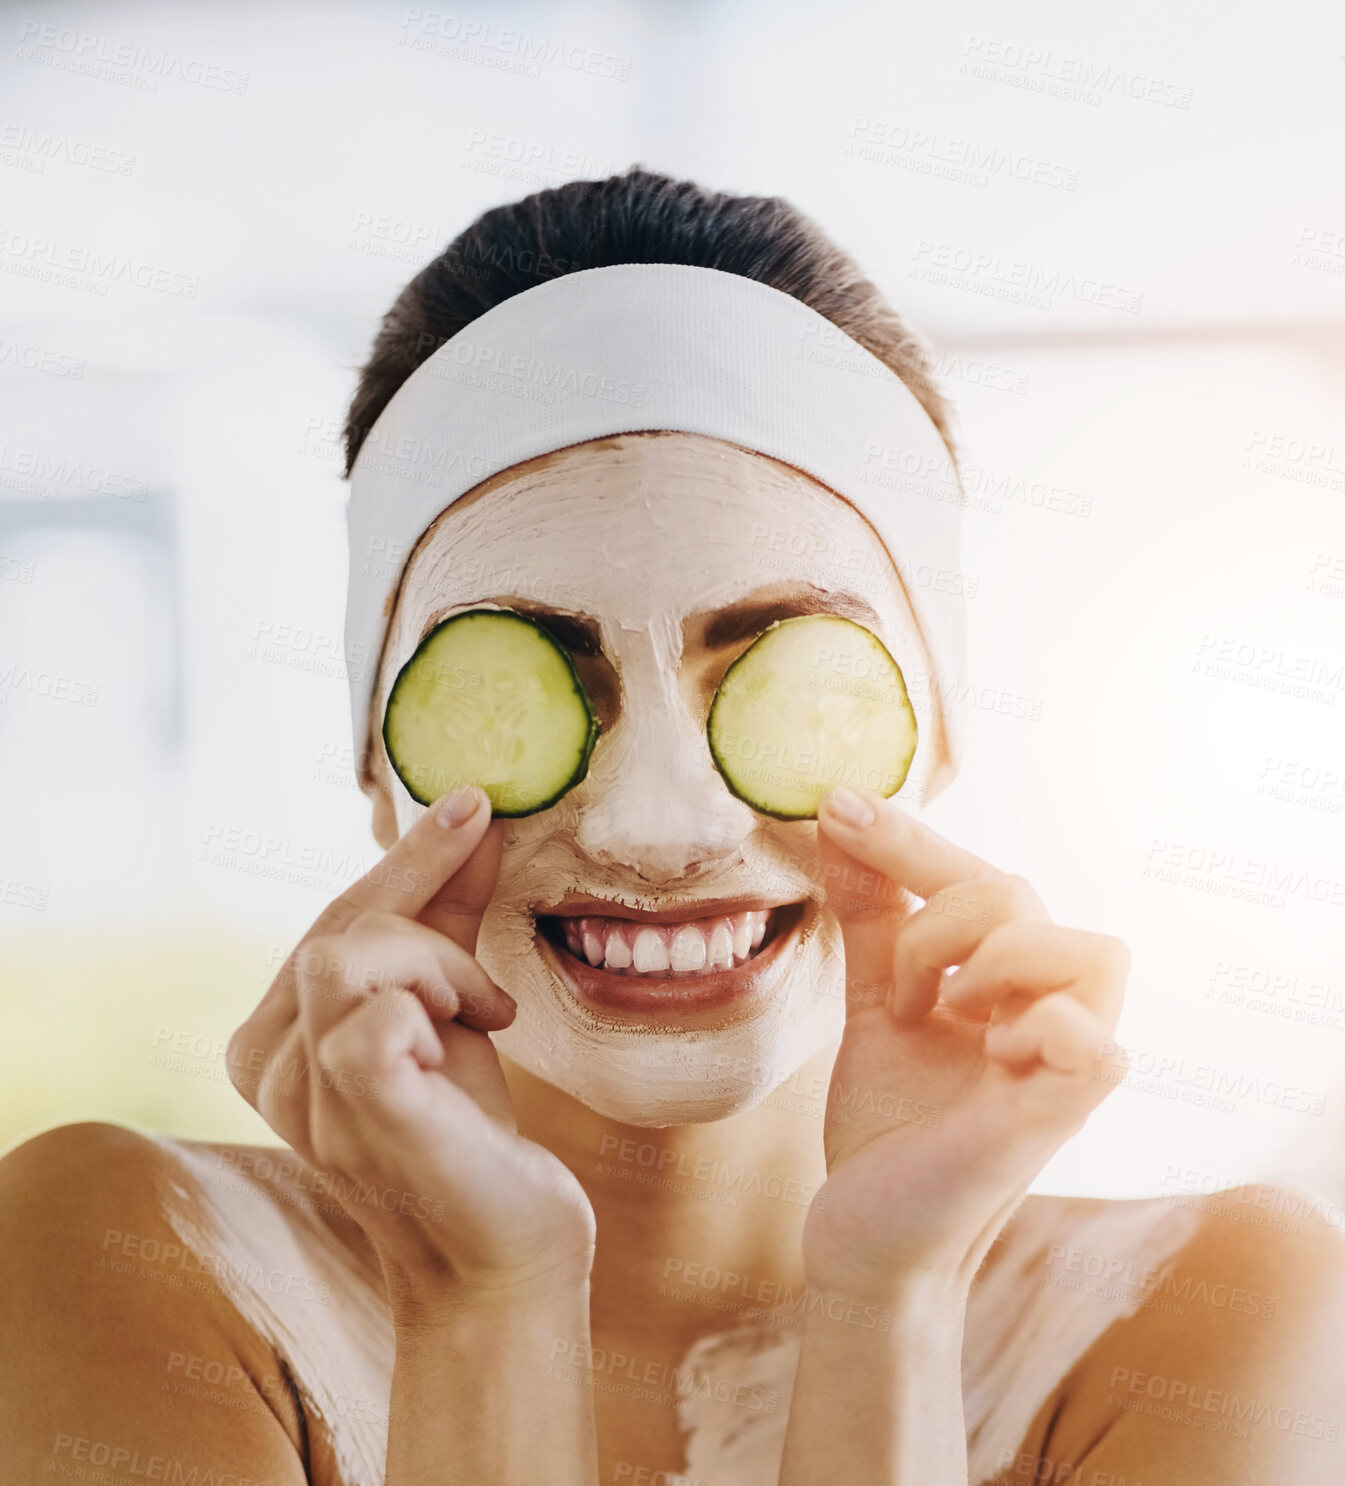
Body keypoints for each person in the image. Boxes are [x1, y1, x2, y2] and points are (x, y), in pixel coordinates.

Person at [3, 167, 1343, 1486]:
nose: (659, 827)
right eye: (534, 685)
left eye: (777, 682)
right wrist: (486, 1298)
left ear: (925, 745)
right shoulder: (119, 1254)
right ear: (378, 770)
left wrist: (889, 1300)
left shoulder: (1211, 1311)